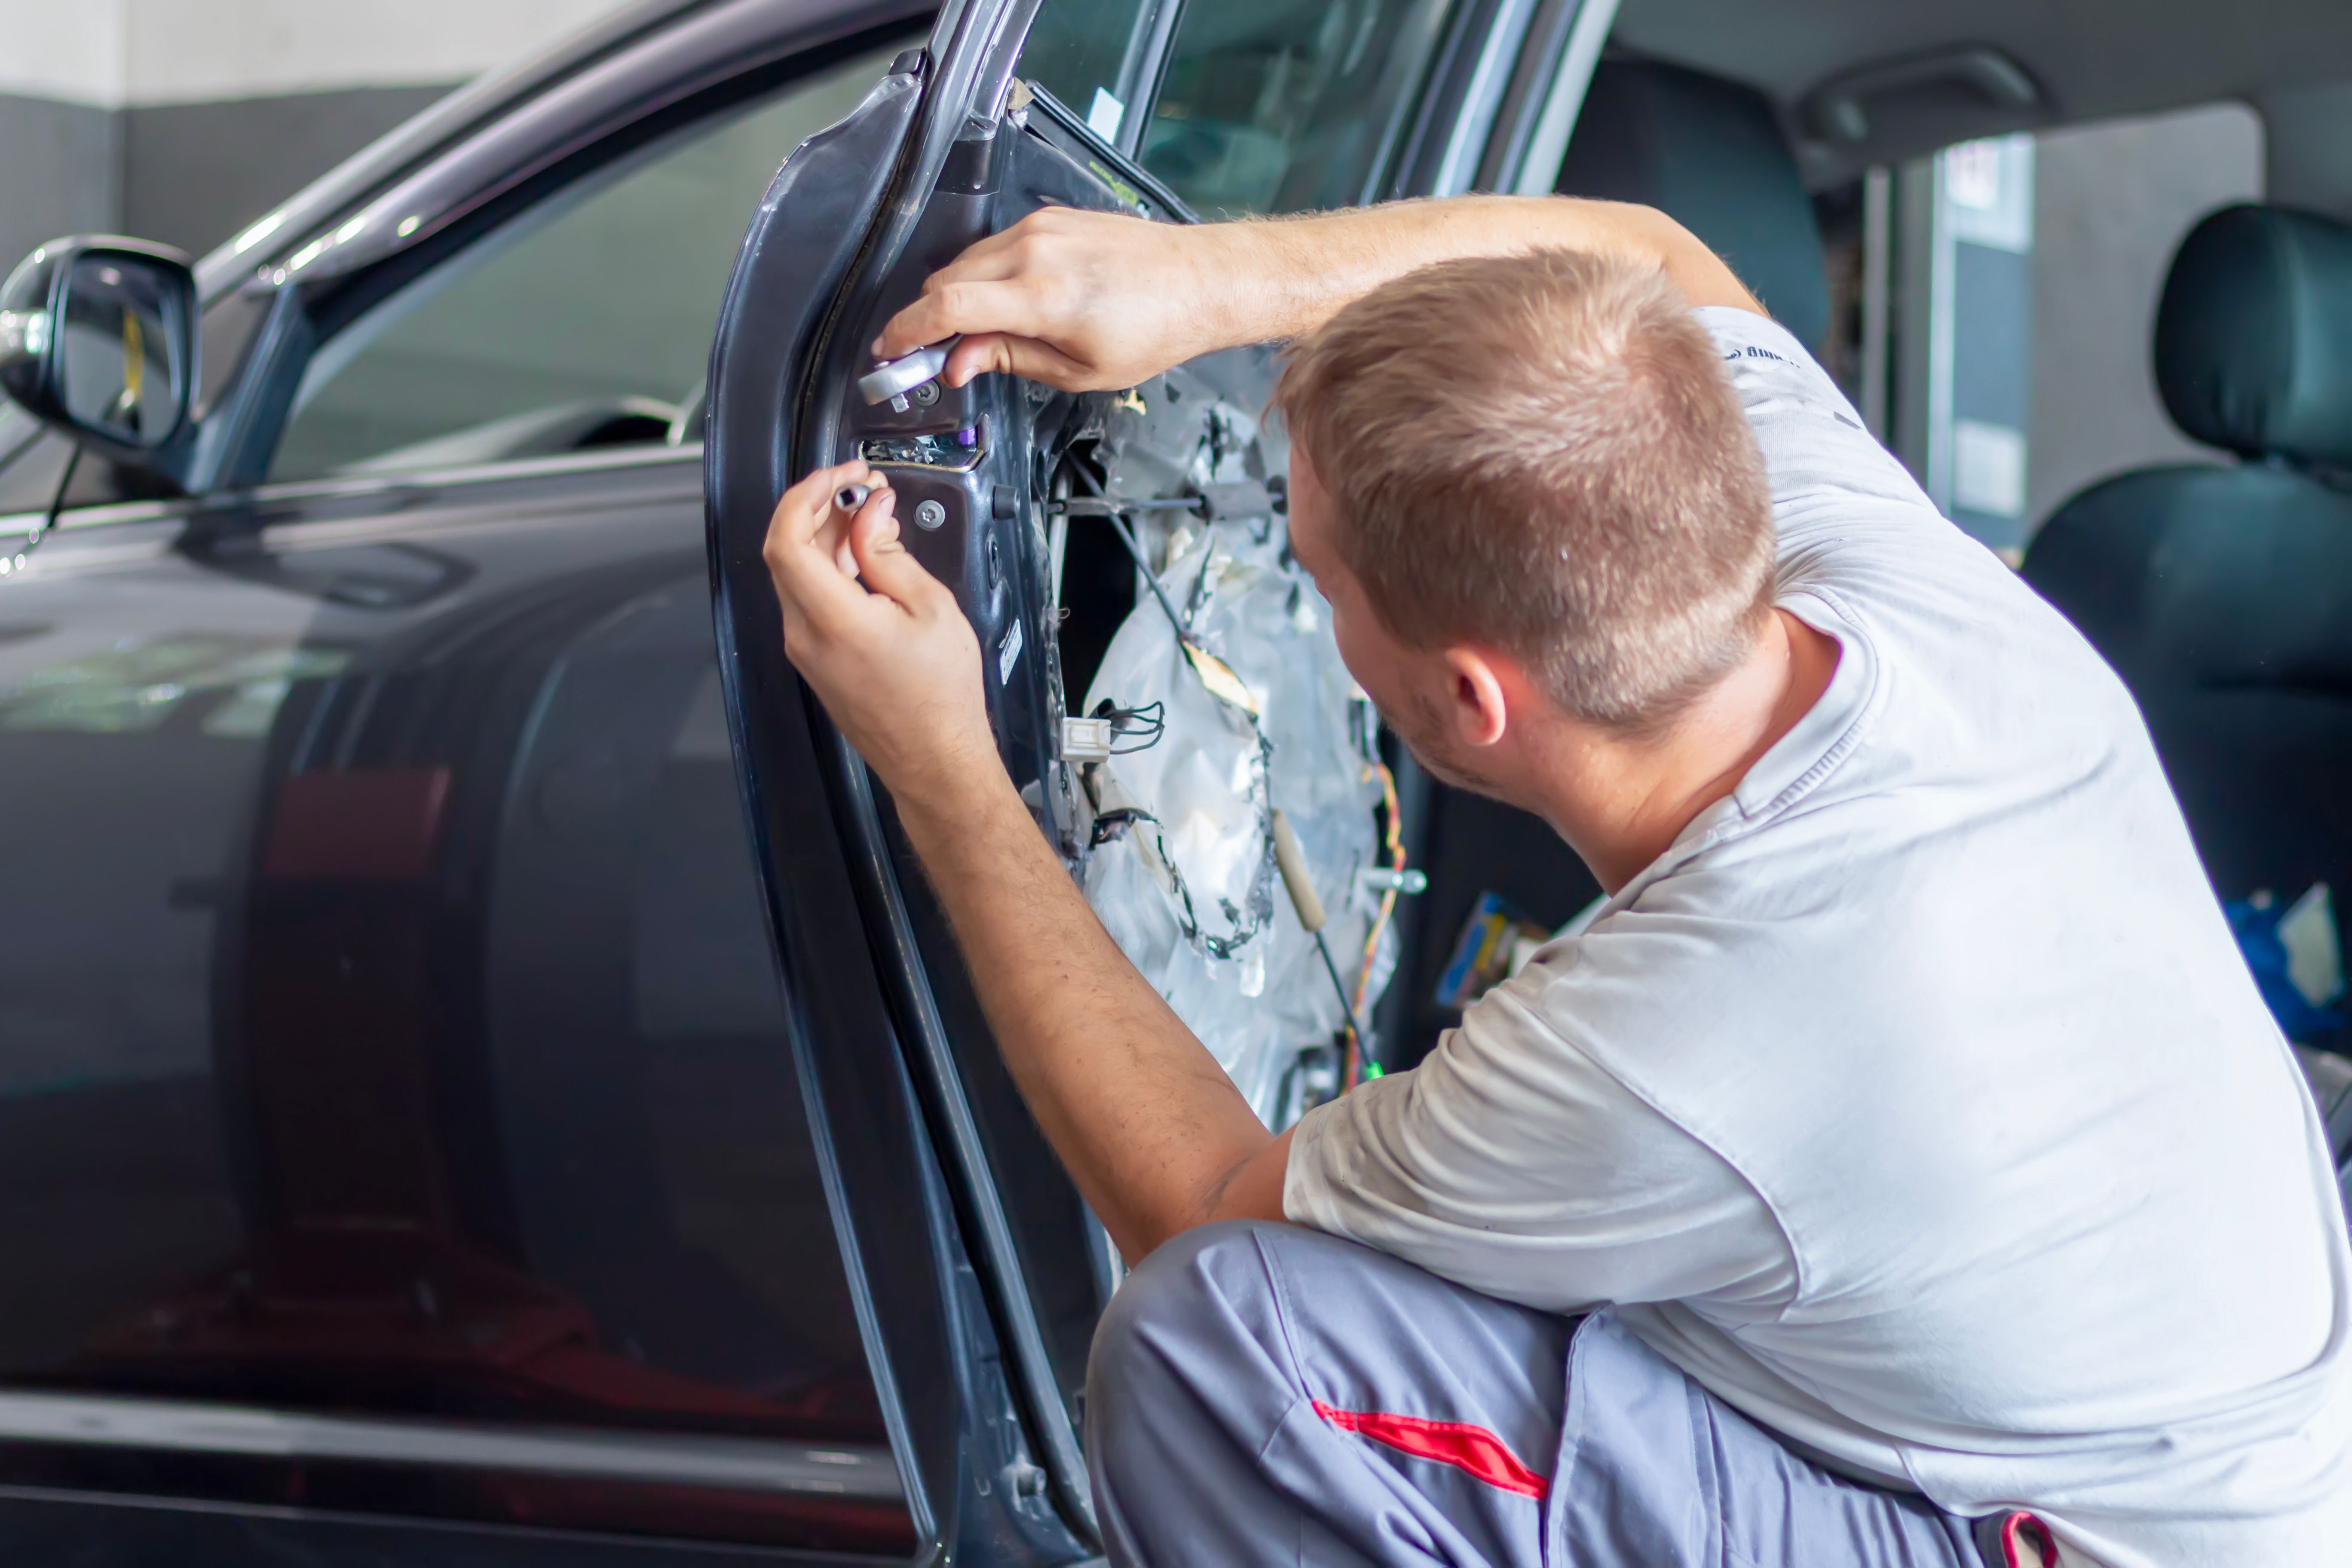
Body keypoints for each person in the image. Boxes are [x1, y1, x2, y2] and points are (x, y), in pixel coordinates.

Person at [758, 198, 2352, 1568]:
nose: (1300, 614)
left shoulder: (1685, 1038)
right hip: (2220, 1426)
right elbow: (1655, 261)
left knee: (1222, 1349)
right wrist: (1205, 286)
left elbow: (1197, 1216)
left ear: (1468, 702)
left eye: (1315, 585)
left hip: (2084, 1541)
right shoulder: (1911, 599)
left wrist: (946, 770)